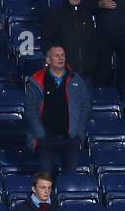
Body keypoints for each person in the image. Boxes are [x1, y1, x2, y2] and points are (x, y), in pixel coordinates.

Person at [23, 46, 92, 176]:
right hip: (45, 138)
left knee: (69, 180)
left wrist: (78, 132)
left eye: (63, 55)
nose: (61, 58)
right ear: (48, 59)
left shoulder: (76, 79)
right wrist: (40, 134)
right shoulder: (37, 80)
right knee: (45, 179)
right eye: (57, 55)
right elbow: (30, 109)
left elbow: (85, 107)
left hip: (70, 138)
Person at [43, 0, 100, 82]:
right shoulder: (56, 14)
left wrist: (92, 63)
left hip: (86, 72)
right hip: (63, 72)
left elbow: (93, 40)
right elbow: (47, 40)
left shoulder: (86, 14)